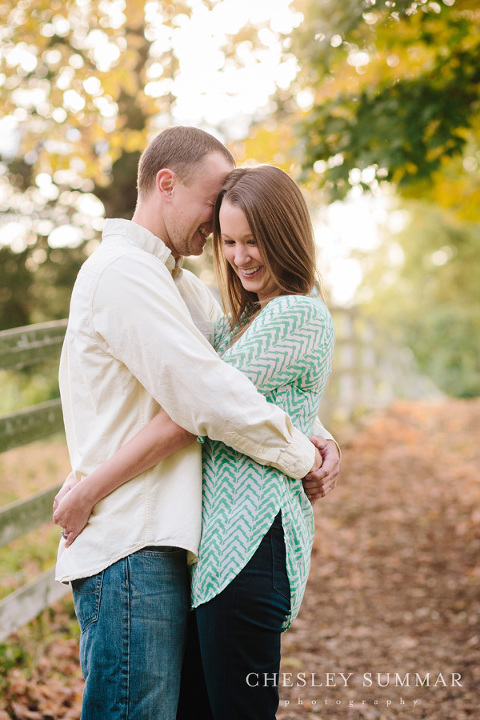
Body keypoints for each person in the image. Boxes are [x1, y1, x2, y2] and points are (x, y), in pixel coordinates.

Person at [53, 127, 340, 720]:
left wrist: (319, 434)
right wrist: (302, 456)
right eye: (214, 205)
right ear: (166, 185)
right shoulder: (123, 273)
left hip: (175, 540)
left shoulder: (183, 289)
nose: (219, 231)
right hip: (130, 536)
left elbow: (245, 377)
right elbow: (205, 400)